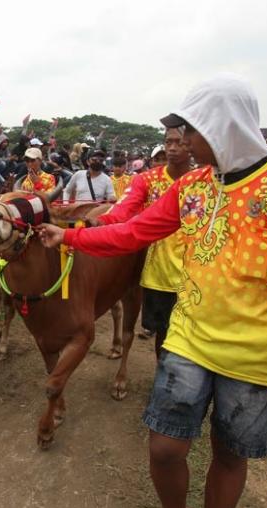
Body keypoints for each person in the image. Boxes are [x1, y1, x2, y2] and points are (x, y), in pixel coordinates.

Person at [37, 74, 267, 508]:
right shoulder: (194, 186)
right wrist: (73, 236)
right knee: (164, 447)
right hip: (188, 339)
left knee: (228, 455)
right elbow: (136, 231)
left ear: (223, 126)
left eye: (192, 131)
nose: (183, 142)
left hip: (253, 358)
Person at [93, 127, 193, 357]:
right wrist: (97, 223)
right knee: (163, 336)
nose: (172, 148)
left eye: (179, 142)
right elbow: (122, 210)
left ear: (191, 144)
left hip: (195, 274)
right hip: (159, 273)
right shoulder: (146, 180)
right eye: (168, 142)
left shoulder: (204, 180)